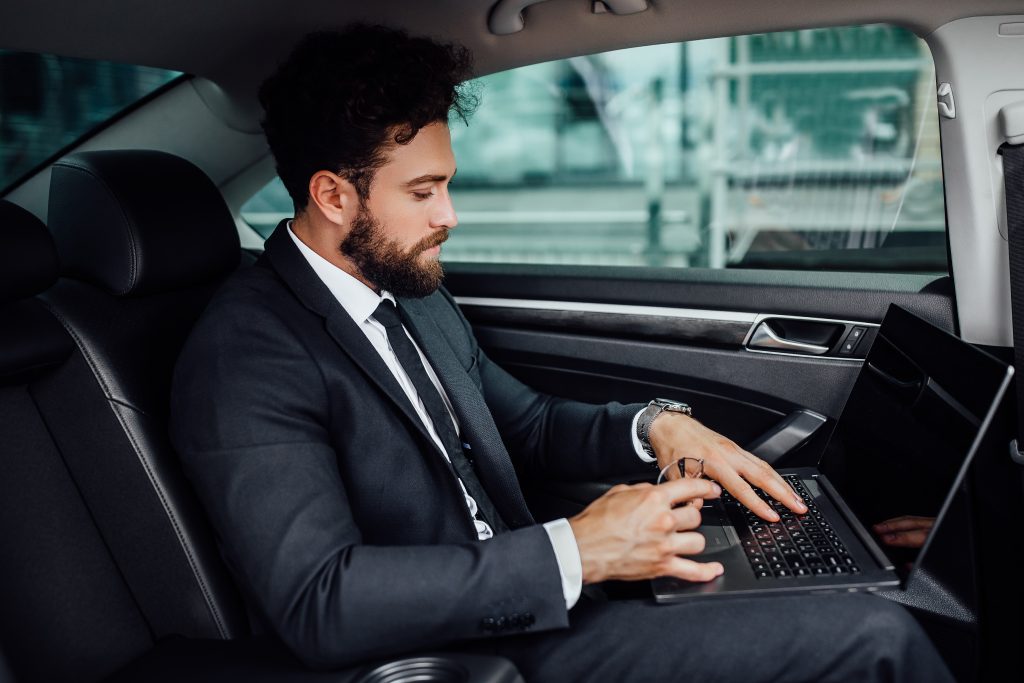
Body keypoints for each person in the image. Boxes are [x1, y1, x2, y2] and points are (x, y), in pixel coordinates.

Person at [170, 25, 954, 682]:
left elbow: (531, 423)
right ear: (334, 195)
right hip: (475, 650)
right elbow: (320, 601)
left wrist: (658, 428)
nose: (449, 214)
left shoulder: (408, 291)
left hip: (555, 590)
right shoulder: (245, 353)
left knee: (855, 580)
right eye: (422, 191)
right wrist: (577, 550)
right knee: (881, 640)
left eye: (447, 184)